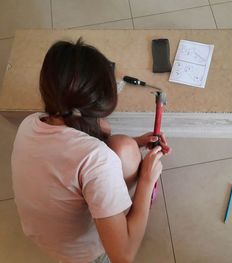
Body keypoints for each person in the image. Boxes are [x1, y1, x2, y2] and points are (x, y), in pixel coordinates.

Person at [11, 39, 171, 263]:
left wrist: (135, 142)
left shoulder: (31, 122)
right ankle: (123, 216)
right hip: (84, 255)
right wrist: (146, 181)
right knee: (125, 238)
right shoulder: (96, 158)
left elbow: (73, 153)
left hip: (45, 236)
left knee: (124, 145)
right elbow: (123, 257)